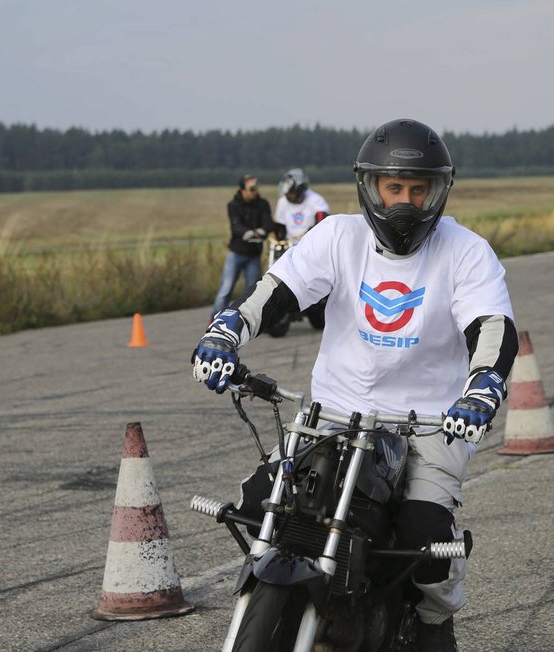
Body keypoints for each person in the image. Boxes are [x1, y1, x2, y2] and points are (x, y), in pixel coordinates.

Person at [193, 118, 519, 651]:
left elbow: (492, 327)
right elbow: (279, 290)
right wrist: (228, 330)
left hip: (435, 422)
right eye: (394, 188)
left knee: (423, 540)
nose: (405, 203)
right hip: (331, 415)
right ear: (371, 187)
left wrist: (482, 388)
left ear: (439, 190)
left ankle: (436, 625)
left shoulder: (466, 251)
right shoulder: (339, 236)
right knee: (259, 503)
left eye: (419, 189)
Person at [210, 174, 274, 317]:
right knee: (226, 289)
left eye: (256, 188)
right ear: (243, 190)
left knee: (251, 291)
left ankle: (246, 320)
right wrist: (248, 233)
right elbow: (236, 225)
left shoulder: (263, 204)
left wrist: (261, 231)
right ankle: (215, 317)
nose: (255, 192)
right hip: (236, 253)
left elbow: (268, 222)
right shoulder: (234, 205)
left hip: (254, 255)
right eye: (251, 189)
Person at [273, 168, 330, 245]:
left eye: (292, 193)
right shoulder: (283, 202)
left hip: (310, 243)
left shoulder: (316, 200)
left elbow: (322, 221)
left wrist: (311, 232)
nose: (289, 196)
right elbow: (280, 225)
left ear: (299, 190)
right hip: (289, 244)